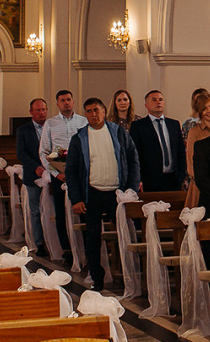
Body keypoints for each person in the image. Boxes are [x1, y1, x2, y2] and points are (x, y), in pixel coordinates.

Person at [65, 97, 141, 291]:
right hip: (92, 193)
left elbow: (133, 159)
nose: (93, 114)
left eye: (96, 110)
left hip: (117, 193)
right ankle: (97, 279)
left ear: (104, 111)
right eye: (89, 111)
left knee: (126, 235)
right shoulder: (79, 138)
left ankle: (130, 277)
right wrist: (76, 198)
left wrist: (131, 189)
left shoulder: (118, 133)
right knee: (92, 237)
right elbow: (71, 170)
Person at [131, 89, 186, 192]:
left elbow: (180, 152)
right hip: (150, 180)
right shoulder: (138, 126)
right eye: (154, 100)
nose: (158, 102)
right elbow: (135, 155)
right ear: (146, 105)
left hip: (173, 179)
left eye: (161, 99)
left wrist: (181, 175)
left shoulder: (174, 124)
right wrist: (139, 179)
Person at [16, 96, 50, 252]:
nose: (41, 113)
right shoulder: (23, 130)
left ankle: (53, 240)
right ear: (31, 112)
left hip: (52, 174)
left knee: (51, 209)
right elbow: (21, 153)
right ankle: (39, 242)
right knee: (36, 210)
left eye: (43, 109)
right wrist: (36, 167)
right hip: (33, 175)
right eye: (38, 110)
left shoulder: (52, 127)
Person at [38, 88, 87, 169]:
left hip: (79, 167)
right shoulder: (50, 123)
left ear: (73, 102)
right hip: (58, 167)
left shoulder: (84, 121)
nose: (66, 102)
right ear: (57, 104)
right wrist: (55, 173)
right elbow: (44, 151)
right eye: (62, 100)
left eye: (68, 100)